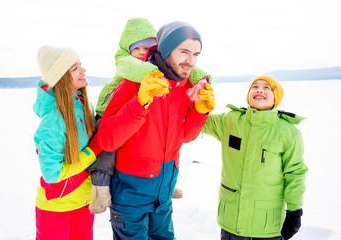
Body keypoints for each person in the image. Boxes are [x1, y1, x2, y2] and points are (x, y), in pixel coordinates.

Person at [91, 21, 215, 239]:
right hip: (131, 195)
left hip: (163, 193)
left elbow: (185, 136)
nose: (190, 61)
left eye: (196, 54)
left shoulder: (187, 85)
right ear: (166, 49)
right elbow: (108, 140)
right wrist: (140, 103)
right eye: (184, 52)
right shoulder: (135, 82)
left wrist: (199, 111)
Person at [202, 76, 308, 240]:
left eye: (267, 88)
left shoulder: (288, 133)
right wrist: (198, 101)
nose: (259, 90)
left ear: (276, 98)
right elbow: (200, 121)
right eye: (255, 86)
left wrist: (295, 211)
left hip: (267, 226)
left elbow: (295, 174)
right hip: (232, 221)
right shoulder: (231, 121)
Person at [34, 45, 102, 239]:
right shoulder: (52, 122)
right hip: (56, 207)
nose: (83, 70)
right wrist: (91, 152)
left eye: (80, 64)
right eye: (75, 68)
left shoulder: (84, 105)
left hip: (83, 203)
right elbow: (52, 174)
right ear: (61, 78)